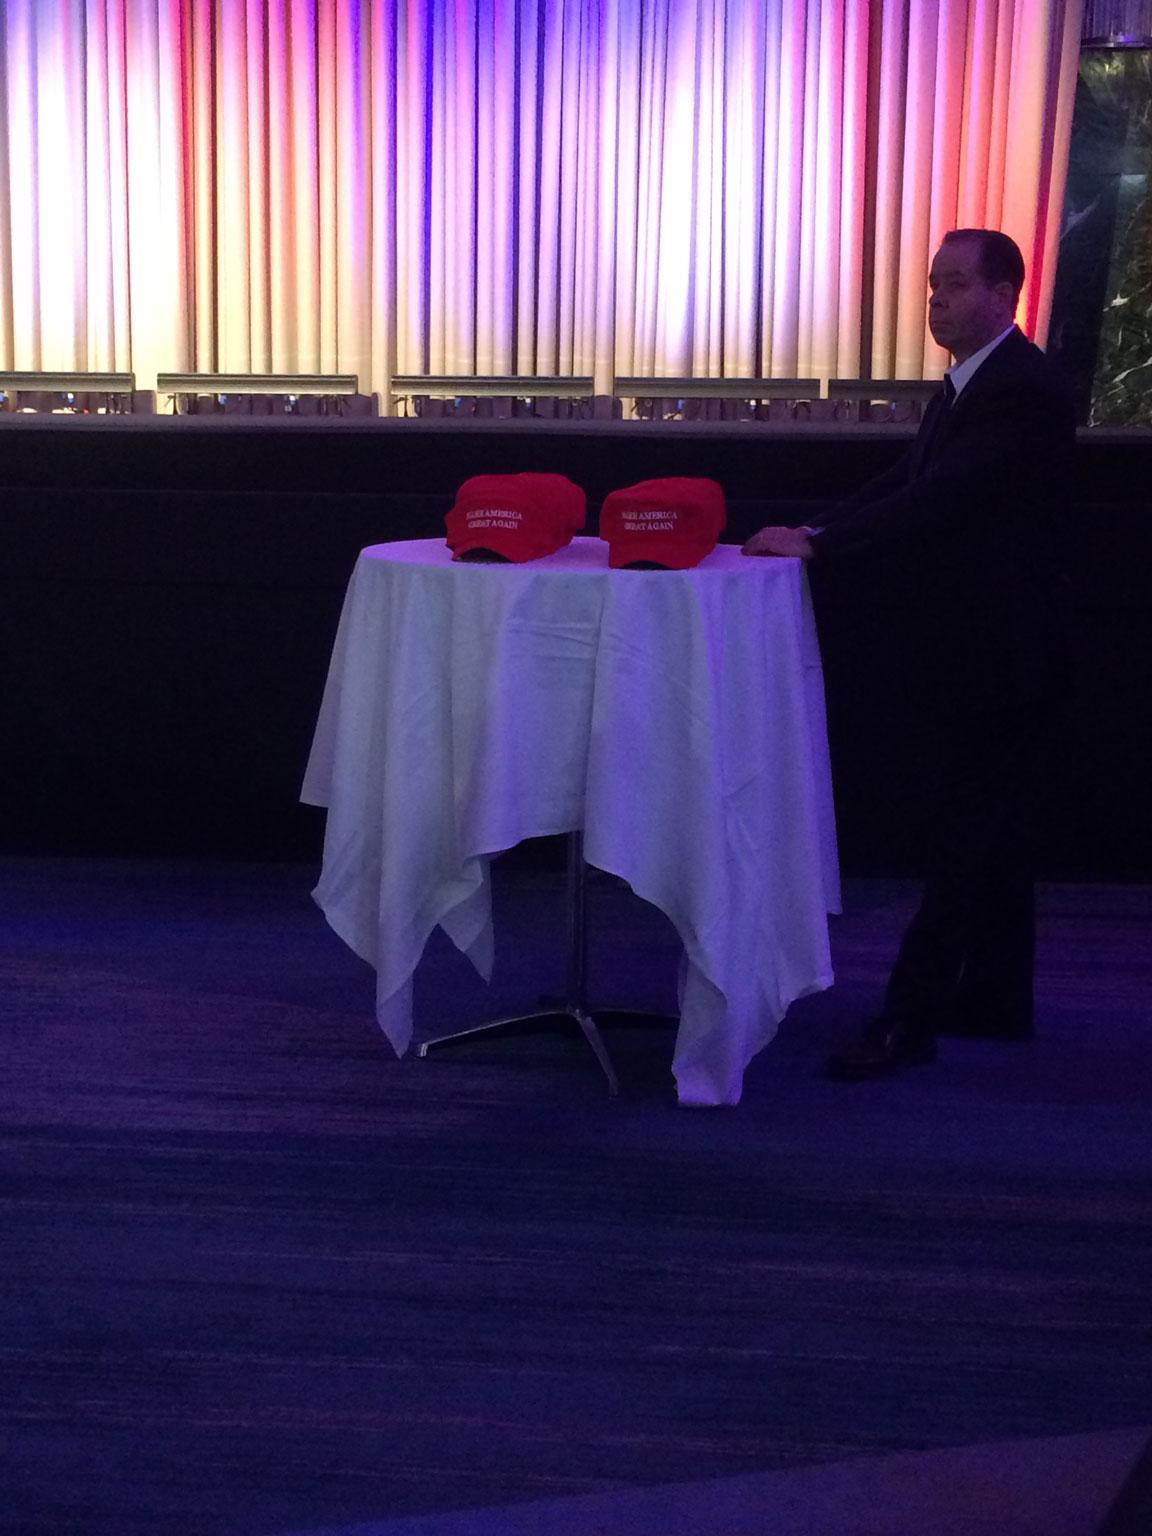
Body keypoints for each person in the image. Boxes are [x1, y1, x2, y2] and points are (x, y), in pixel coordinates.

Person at [744, 229, 1077, 1079]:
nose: (937, 299)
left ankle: (909, 1019)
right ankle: (997, 1001)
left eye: (957, 284)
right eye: (934, 284)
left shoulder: (1021, 388)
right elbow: (908, 479)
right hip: (988, 647)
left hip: (1004, 650)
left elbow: (943, 498)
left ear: (1007, 293)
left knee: (966, 837)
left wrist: (823, 548)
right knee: (991, 833)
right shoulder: (974, 384)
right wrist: (817, 529)